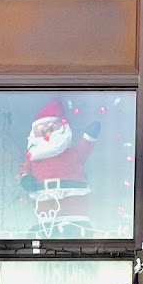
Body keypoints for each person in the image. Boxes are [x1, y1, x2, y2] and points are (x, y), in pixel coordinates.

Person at [19, 99, 100, 235]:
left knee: (74, 222)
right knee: (46, 221)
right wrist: (25, 178)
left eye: (51, 129)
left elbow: (83, 151)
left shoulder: (71, 154)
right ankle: (44, 231)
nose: (47, 134)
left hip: (72, 194)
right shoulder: (32, 157)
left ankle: (77, 230)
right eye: (42, 130)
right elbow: (24, 169)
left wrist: (89, 137)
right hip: (44, 197)